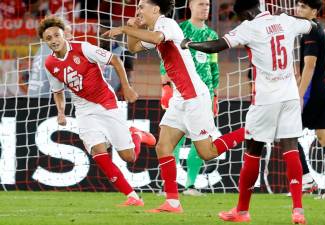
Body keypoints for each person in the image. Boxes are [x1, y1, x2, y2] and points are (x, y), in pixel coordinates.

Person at [103, 0, 245, 213]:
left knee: (207, 152)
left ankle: (250, 130)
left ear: (156, 9)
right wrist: (133, 29)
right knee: (163, 147)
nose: (139, 10)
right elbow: (133, 48)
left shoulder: (167, 24)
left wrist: (125, 28)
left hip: (195, 96)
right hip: (180, 98)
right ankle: (172, 202)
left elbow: (156, 38)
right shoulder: (155, 28)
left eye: (142, 6)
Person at [181, 0, 317, 223]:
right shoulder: (285, 20)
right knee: (291, 148)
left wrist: (188, 44)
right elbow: (311, 25)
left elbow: (215, 45)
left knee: (253, 151)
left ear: (244, 13)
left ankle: (242, 211)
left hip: (266, 99)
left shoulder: (248, 28)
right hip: (290, 95)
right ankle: (298, 210)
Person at [38, 15, 155, 207]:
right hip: (83, 108)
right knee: (98, 153)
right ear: (45, 41)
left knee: (129, 157)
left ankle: (137, 134)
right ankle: (132, 197)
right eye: (49, 38)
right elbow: (57, 91)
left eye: (56, 35)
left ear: (64, 35)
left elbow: (115, 60)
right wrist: (61, 112)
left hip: (106, 102)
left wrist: (126, 87)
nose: (53, 41)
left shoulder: (83, 47)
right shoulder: (50, 64)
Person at [159, 0, 220, 197]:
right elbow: (165, 59)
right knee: (172, 140)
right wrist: (165, 86)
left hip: (205, 94)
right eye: (201, 4)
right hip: (181, 92)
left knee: (200, 141)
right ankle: (168, 185)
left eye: (207, 5)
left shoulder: (212, 35)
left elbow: (213, 67)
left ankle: (190, 185)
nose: (205, 8)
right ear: (191, 6)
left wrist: (215, 95)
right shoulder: (180, 29)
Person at [296, 0, 325, 199]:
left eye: (303, 7)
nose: (298, 9)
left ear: (313, 12)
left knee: (287, 133)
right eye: (298, 5)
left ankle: (306, 180)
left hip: (313, 94)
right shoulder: (319, 29)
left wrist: (299, 94)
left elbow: (310, 65)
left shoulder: (311, 31)